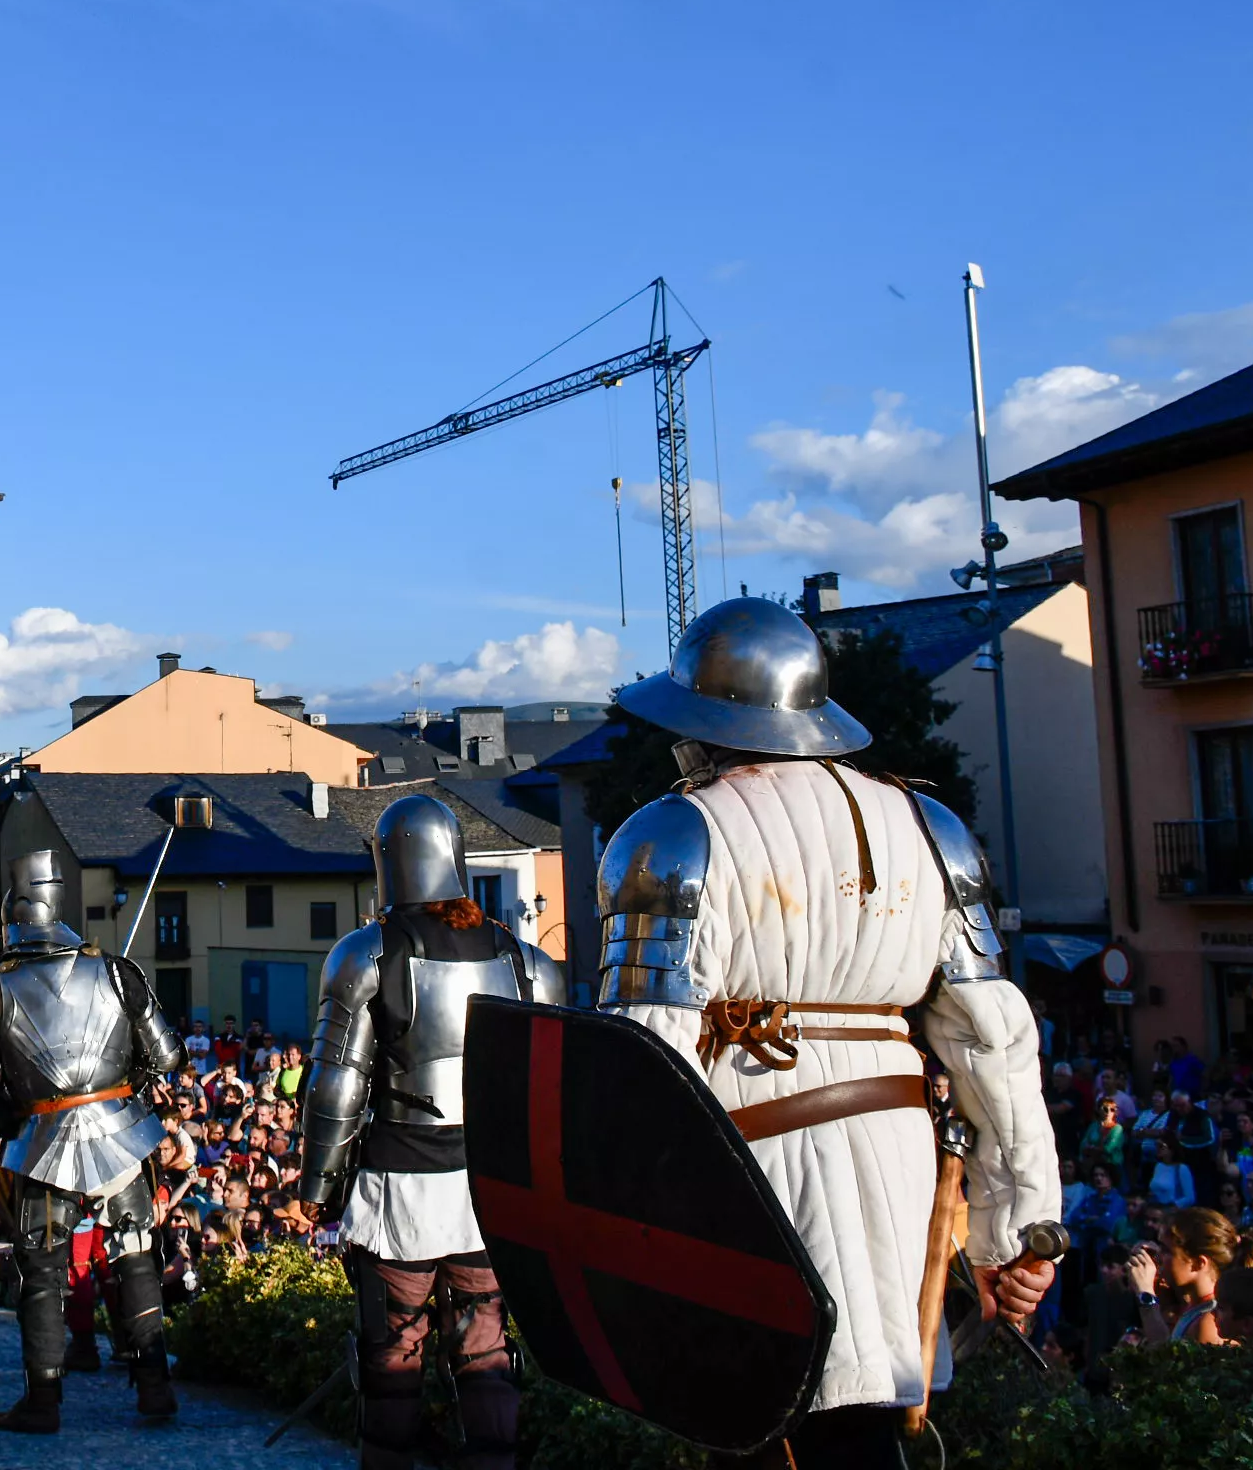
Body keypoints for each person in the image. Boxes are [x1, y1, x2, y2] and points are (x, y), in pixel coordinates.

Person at [594, 598, 1059, 1469]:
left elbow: (643, 1059)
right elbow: (993, 1041)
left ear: (703, 722)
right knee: (868, 1408)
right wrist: (1019, 1226)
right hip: (898, 1157)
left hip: (746, 1163)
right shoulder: (933, 830)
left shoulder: (672, 834)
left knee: (760, 1414)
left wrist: (628, 1235)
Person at [297, 794, 557, 1470]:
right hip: (491, 1187)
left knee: (393, 1347)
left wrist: (318, 1187)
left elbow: (336, 1085)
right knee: (485, 1348)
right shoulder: (527, 960)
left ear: (390, 861)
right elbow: (551, 1086)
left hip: (401, 1185)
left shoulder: (367, 955)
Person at [0, 821, 184, 1433]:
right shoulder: (117, 975)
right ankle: (154, 1386)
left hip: (42, 1142)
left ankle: (44, 1400)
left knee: (43, 1270)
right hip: (120, 1134)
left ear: (14, 912)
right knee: (136, 1256)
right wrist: (123, 1089)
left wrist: (17, 1118)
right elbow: (168, 1057)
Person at [1128, 1208, 1234, 1345]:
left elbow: (1164, 1358)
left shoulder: (1210, 1322)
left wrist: (1146, 1295)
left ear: (1198, 1263)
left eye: (1166, 1251)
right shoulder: (1193, 1305)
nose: (1158, 1257)